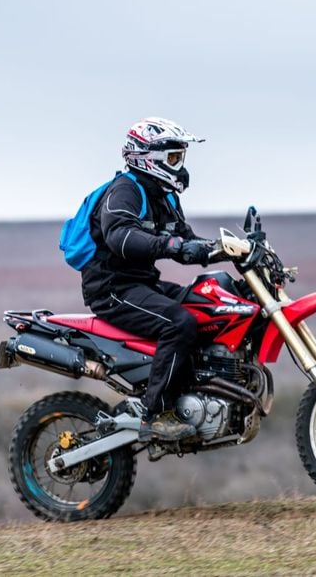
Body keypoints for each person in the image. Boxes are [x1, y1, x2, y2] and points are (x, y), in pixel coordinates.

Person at [82, 117, 213, 442]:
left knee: (207, 304)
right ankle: (156, 414)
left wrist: (229, 249)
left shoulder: (165, 197)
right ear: (148, 158)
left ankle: (197, 391)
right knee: (178, 323)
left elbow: (187, 240)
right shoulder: (125, 191)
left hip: (142, 284)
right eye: (172, 158)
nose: (179, 166)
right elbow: (120, 237)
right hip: (112, 289)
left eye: (179, 157)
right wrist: (170, 246)